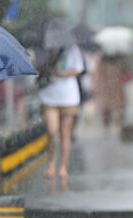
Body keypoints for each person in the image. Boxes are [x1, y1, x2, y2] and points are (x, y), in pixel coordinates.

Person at [37, 44, 85, 189]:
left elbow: (79, 70)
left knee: (65, 133)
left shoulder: (73, 49)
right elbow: (38, 68)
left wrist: (63, 74)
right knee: (52, 131)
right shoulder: (46, 48)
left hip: (69, 97)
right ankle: (51, 162)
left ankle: (63, 166)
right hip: (49, 96)